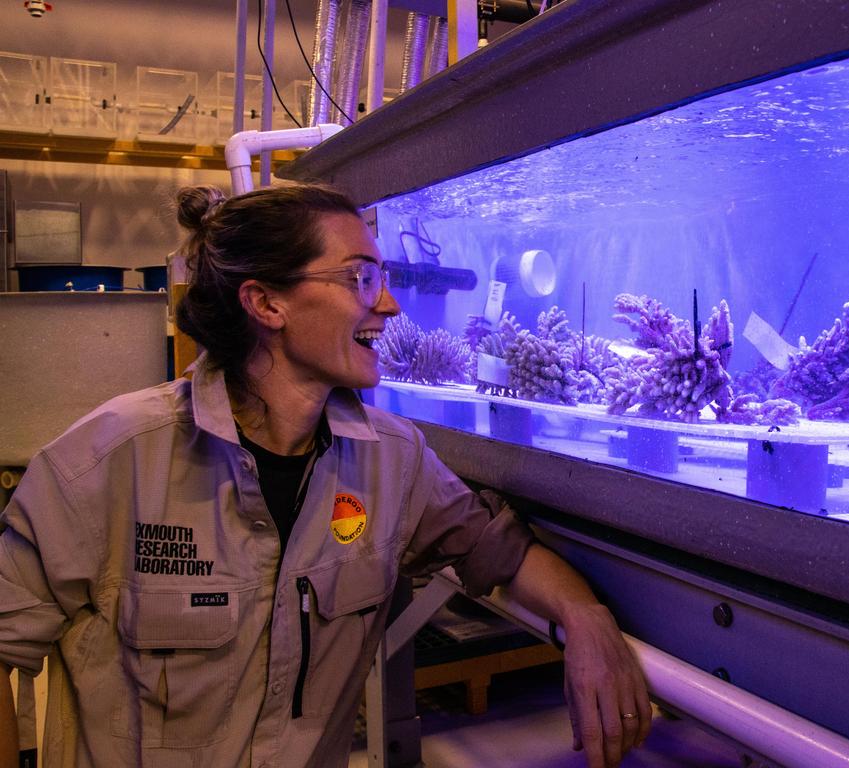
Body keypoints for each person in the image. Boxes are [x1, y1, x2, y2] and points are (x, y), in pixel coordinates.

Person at [0, 183, 651, 768]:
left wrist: (584, 615)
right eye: (361, 278)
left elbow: (494, 548)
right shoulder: (110, 459)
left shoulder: (393, 460)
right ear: (266, 302)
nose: (390, 305)